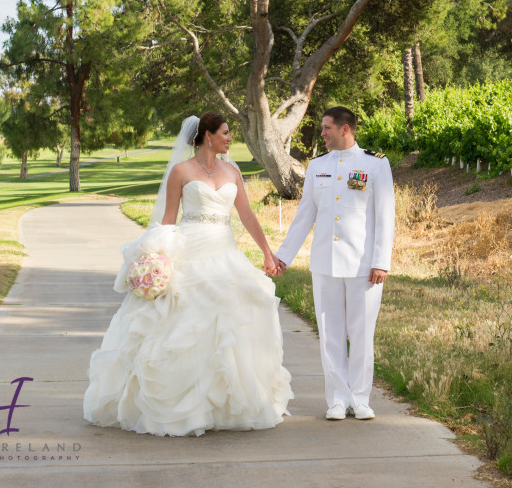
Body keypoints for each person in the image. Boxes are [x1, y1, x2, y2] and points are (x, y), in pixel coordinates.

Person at [83, 113, 293, 436]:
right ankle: (187, 408)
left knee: (230, 325)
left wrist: (267, 252)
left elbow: (247, 215)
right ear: (207, 136)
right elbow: (168, 219)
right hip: (189, 250)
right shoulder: (181, 172)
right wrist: (155, 259)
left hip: (225, 253)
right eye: (224, 133)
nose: (229, 139)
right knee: (182, 328)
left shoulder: (233, 171)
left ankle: (227, 405)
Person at [275, 106, 395, 421]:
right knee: (330, 334)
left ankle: (360, 398)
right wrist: (284, 256)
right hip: (325, 264)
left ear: (345, 129)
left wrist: (381, 261)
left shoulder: (375, 164)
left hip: (364, 265)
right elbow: (304, 216)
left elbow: (385, 216)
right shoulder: (317, 166)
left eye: (327, 128)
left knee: (361, 334)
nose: (323, 134)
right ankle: (337, 400)